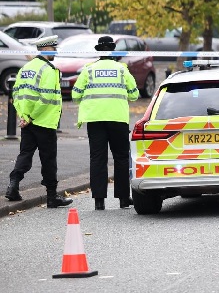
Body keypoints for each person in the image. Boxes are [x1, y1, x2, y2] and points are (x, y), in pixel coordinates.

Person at [5, 35, 73, 208]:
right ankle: (52, 197)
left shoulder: (25, 68)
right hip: (44, 122)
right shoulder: (49, 70)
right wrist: (33, 117)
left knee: (25, 154)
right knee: (49, 159)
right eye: (53, 48)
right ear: (46, 49)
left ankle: (14, 184)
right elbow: (46, 98)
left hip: (28, 122)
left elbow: (16, 94)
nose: (55, 52)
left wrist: (24, 116)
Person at [72, 36, 140, 210]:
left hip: (95, 120)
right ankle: (124, 199)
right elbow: (134, 94)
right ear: (113, 50)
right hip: (118, 119)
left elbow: (75, 95)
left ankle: (99, 201)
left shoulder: (89, 70)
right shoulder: (122, 70)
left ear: (99, 51)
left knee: (98, 159)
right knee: (121, 158)